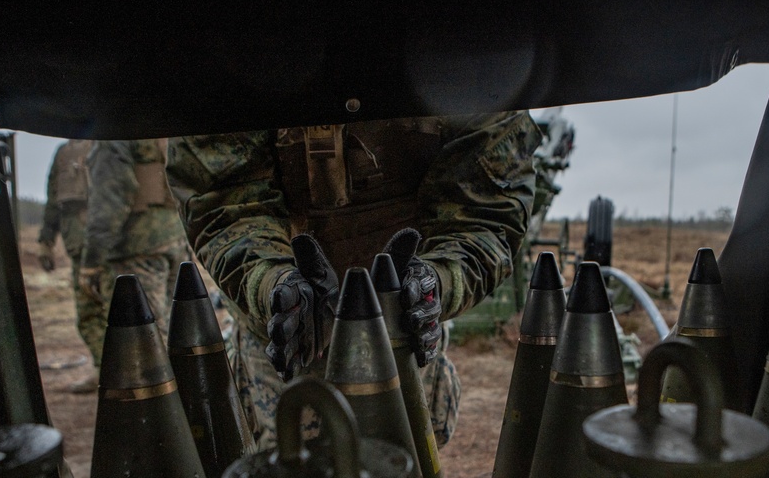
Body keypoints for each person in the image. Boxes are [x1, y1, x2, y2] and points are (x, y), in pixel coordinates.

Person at [167, 112, 542, 448]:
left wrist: (439, 282)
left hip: (401, 333)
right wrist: (268, 283)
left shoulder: (461, 50)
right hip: (284, 343)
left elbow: (483, 207)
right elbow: (226, 196)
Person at [79, 139, 191, 382]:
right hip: (174, 240)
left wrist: (91, 261)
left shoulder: (113, 134)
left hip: (135, 248)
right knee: (171, 331)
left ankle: (160, 411)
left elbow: (110, 198)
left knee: (143, 343)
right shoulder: (155, 128)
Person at [37, 138, 105, 393]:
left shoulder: (110, 145)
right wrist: (45, 241)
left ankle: (128, 374)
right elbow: (54, 199)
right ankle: (104, 370)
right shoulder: (65, 153)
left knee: (120, 312)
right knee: (88, 315)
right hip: (79, 246)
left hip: (114, 247)